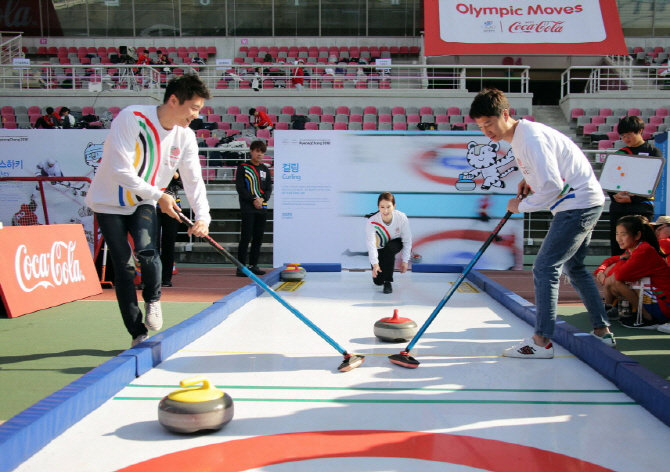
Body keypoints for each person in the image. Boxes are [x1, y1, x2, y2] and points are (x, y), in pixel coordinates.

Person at [469, 88, 615, 357]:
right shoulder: (523, 136)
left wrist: (521, 206)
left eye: (488, 123)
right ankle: (602, 331)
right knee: (575, 266)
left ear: (505, 114)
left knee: (545, 267)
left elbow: (551, 185)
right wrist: (530, 181)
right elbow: (546, 176)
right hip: (585, 201)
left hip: (577, 205)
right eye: (480, 126)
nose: (486, 131)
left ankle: (542, 342)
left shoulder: (530, 138)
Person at [86, 74, 212, 347]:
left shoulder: (186, 136)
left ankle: (153, 299)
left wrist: (203, 217)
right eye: (193, 108)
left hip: (143, 201)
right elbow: (120, 170)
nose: (196, 115)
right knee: (123, 265)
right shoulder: (132, 118)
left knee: (147, 250)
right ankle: (137, 332)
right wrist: (161, 196)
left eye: (199, 110)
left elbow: (193, 180)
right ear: (174, 100)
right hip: (108, 202)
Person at [595, 215, 670, 330]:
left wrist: (620, 262)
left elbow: (619, 275)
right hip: (658, 296)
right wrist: (601, 271)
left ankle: (647, 318)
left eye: (623, 234)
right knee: (615, 280)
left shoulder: (645, 250)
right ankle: (612, 308)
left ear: (638, 235)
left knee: (616, 281)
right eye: (617, 234)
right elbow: (611, 261)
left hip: (663, 303)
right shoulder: (636, 248)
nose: (619, 238)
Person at [607, 116, 661, 256]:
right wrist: (615, 195)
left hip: (641, 208)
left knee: (641, 249)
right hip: (619, 209)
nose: (626, 139)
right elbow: (610, 181)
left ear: (640, 131)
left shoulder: (653, 152)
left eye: (629, 134)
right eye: (623, 136)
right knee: (619, 249)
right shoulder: (620, 153)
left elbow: (654, 181)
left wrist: (633, 199)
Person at [235, 140, 272, 277]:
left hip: (261, 208)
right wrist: (253, 199)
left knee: (258, 237)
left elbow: (268, 188)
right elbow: (240, 188)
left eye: (262, 152)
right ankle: (241, 267)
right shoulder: (243, 167)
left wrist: (262, 199)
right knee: (246, 237)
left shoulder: (265, 169)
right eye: (257, 151)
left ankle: (253, 265)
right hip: (248, 208)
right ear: (251, 151)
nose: (260, 154)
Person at [365, 192, 412, 294]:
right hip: (380, 247)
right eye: (382, 207)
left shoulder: (401, 217)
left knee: (389, 249)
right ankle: (382, 280)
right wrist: (375, 264)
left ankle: (388, 282)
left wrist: (405, 260)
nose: (385, 210)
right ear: (378, 207)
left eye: (388, 207)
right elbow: (371, 245)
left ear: (394, 206)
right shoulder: (372, 222)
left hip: (395, 243)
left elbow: (407, 240)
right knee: (378, 281)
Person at [156, 172, 183, 288]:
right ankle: (151, 278)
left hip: (173, 207)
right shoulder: (153, 162)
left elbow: (184, 183)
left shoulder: (176, 162)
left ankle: (166, 278)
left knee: (168, 243)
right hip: (152, 205)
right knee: (151, 244)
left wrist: (175, 174)